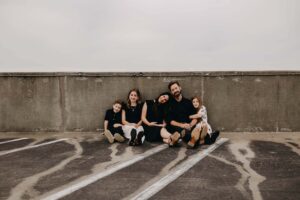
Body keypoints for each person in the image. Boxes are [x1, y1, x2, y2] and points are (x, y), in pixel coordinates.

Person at [166, 81, 198, 146]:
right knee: (183, 131)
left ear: (180, 88)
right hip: (177, 127)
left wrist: (190, 125)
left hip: (189, 126)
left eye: (176, 88)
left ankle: (174, 140)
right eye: (173, 90)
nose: (175, 90)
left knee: (196, 128)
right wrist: (182, 125)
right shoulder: (169, 104)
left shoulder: (188, 102)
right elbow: (171, 121)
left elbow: (195, 118)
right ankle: (193, 140)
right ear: (171, 92)